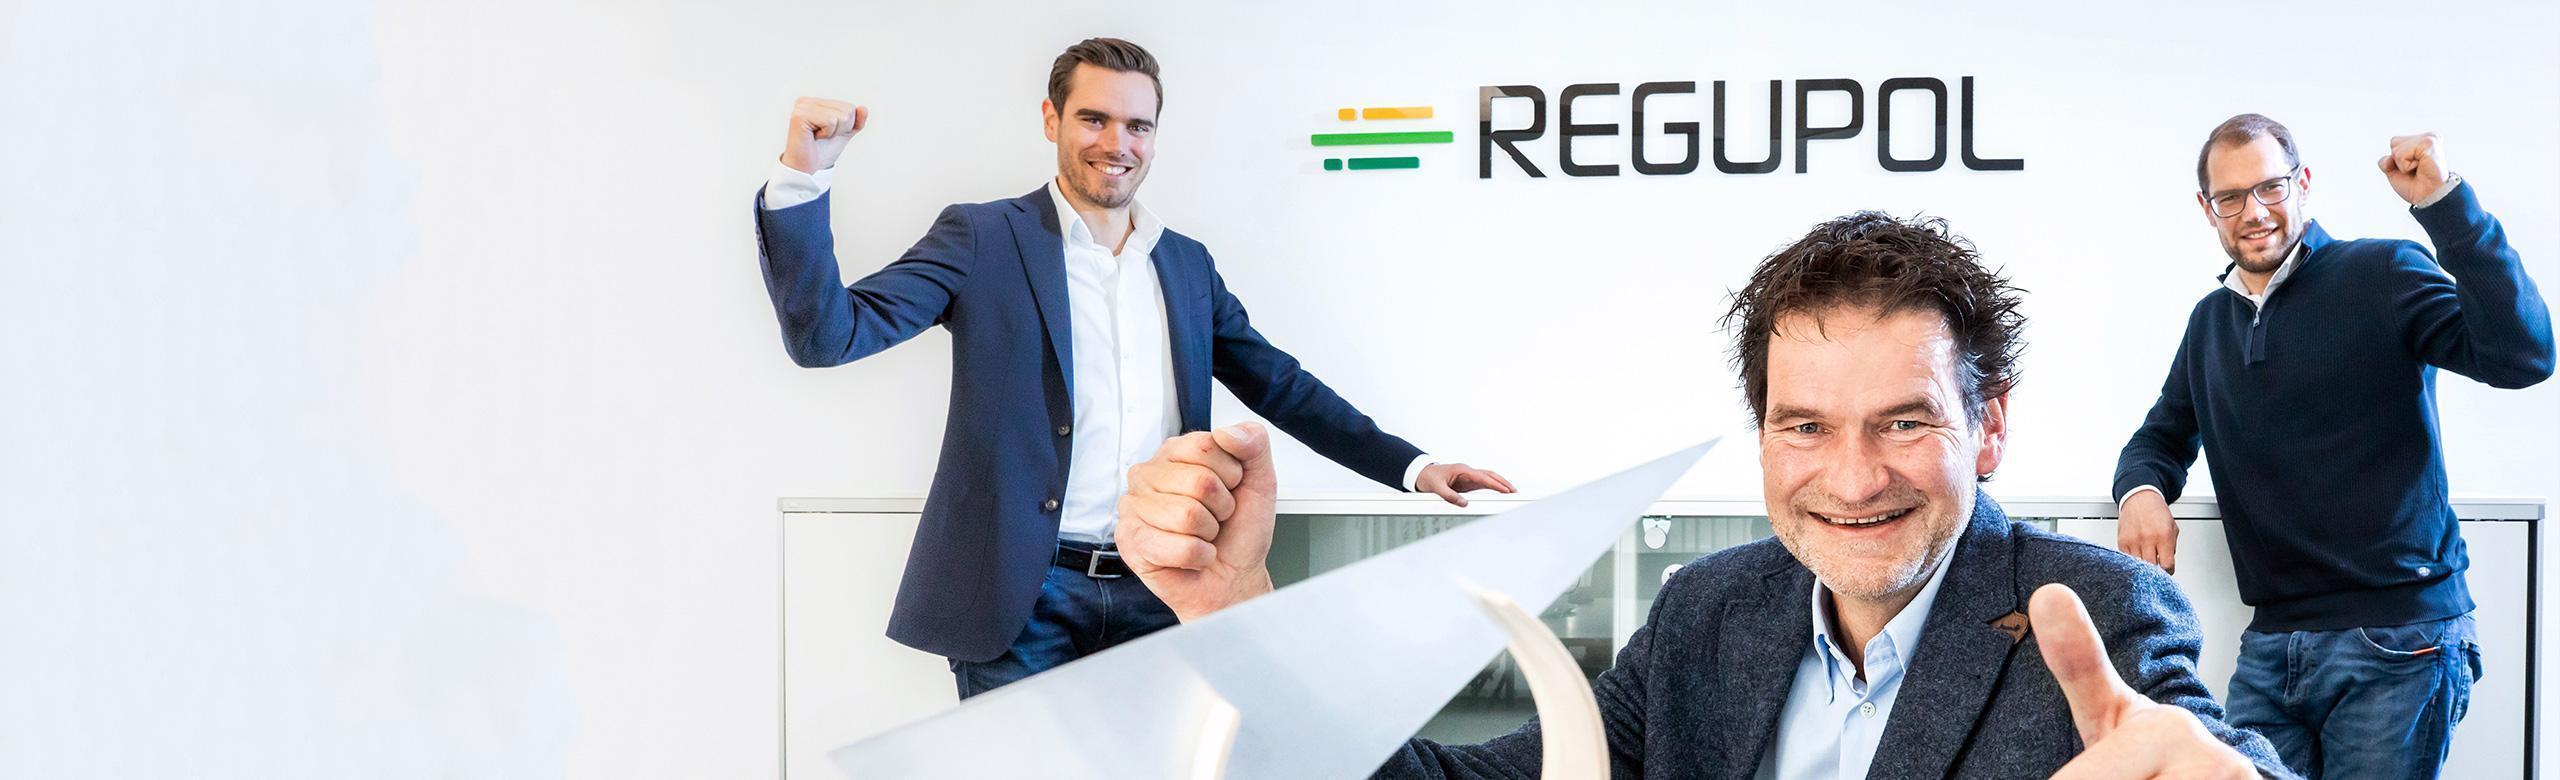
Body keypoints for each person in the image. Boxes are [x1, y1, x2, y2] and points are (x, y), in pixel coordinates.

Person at [1118, 212, 2292, 778]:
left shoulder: (2092, 618)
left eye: (1903, 421)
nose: (1849, 478)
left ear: (1987, 428)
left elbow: (2191, 750)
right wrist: (1236, 616)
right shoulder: (1703, 616)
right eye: (1805, 427)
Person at [751, 37, 1513, 698]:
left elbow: (1281, 385)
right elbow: (829, 335)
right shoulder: (983, 237)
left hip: (1165, 590)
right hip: (1023, 599)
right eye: (1094, 117)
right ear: (1052, 121)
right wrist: (803, 177)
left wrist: (1415, 467)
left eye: (1137, 125)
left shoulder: (1185, 265)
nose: (1117, 141)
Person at [2111, 115, 2552, 777]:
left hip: (2398, 641)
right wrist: (2141, 492)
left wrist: (2444, 206)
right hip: (2273, 649)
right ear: (2208, 210)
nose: (2253, 212)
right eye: (2230, 197)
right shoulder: (2212, 322)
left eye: (2270, 188)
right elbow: (2160, 436)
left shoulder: (2381, 272)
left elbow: (2523, 355)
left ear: (2303, 185)